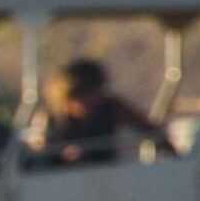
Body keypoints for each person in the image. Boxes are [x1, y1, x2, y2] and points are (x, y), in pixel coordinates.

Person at [31, 58, 172, 168]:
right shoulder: (51, 119)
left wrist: (173, 156)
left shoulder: (112, 108)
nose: (89, 101)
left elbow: (150, 131)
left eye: (93, 93)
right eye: (81, 95)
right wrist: (64, 156)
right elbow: (40, 157)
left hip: (107, 178)